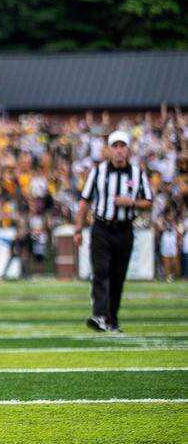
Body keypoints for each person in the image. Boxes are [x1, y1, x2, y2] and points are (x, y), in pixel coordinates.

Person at [74, 130, 153, 333]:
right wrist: (78, 229)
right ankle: (99, 315)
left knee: (118, 276)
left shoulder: (138, 173)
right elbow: (84, 202)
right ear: (108, 150)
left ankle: (112, 318)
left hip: (124, 229)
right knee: (100, 271)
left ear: (128, 150)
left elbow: (149, 202)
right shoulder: (98, 172)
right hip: (101, 227)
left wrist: (132, 202)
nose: (119, 151)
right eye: (115, 146)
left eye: (122, 146)